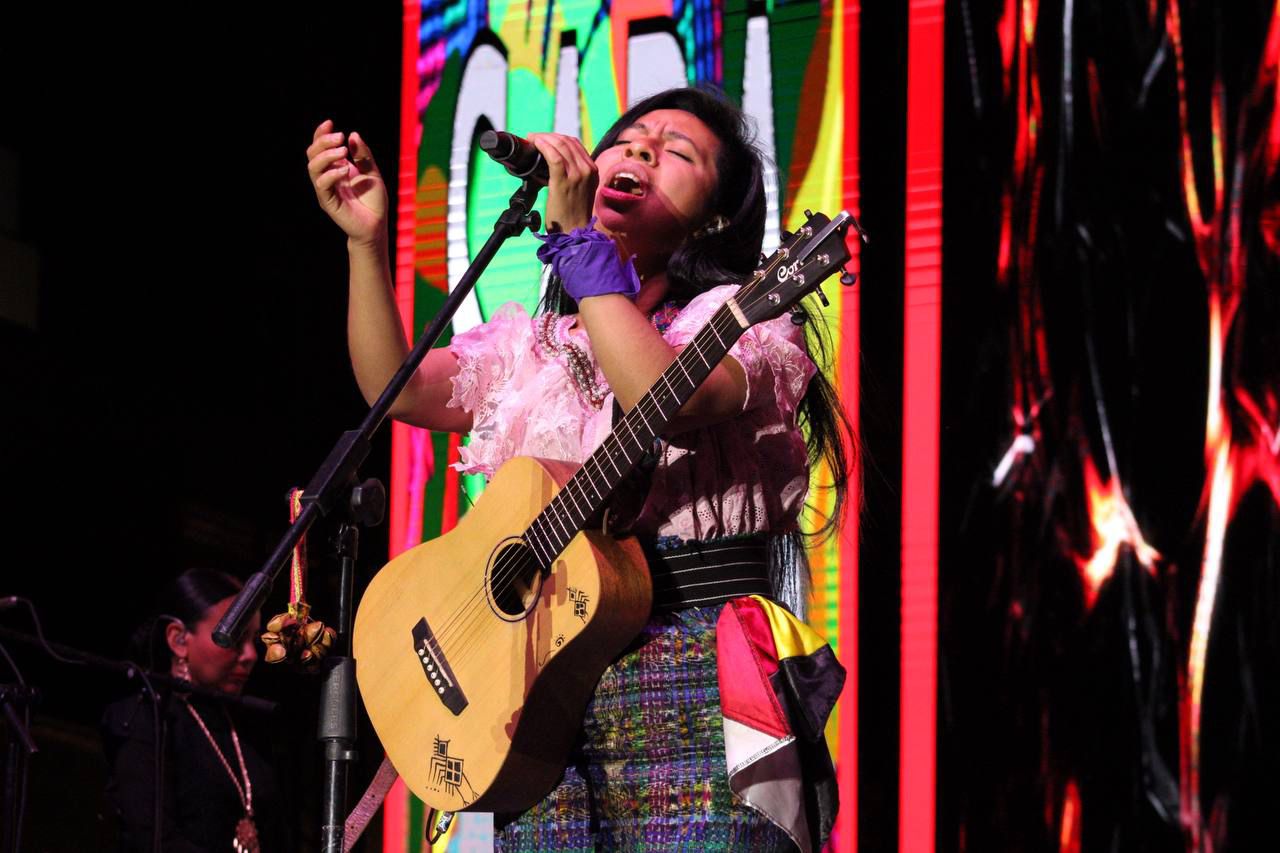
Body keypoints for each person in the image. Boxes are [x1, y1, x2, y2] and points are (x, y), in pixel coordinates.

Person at [308, 86, 850, 851]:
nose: (640, 149)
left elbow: (659, 391)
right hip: (533, 686)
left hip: (689, 669)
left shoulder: (738, 319)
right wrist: (365, 242)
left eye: (678, 151)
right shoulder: (534, 344)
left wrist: (580, 245)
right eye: (627, 139)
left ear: (714, 219)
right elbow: (394, 387)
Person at [102, 569, 287, 853]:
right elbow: (150, 838)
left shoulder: (244, 725)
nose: (250, 655)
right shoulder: (146, 717)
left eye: (253, 639)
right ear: (178, 640)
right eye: (236, 638)